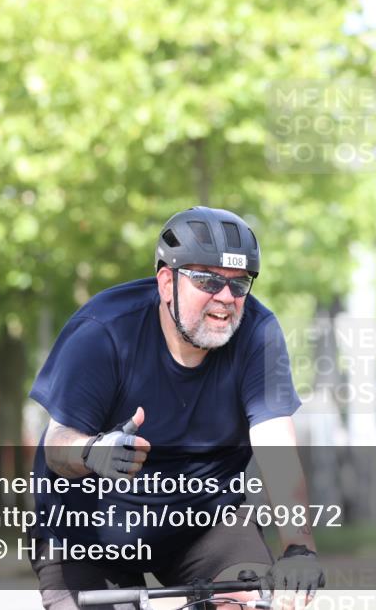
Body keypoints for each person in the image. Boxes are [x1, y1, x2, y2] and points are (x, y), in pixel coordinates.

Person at [28, 206, 324, 610]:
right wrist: (92, 452)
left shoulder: (258, 334)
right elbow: (57, 444)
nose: (226, 297)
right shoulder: (103, 331)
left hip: (203, 523)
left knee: (245, 603)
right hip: (87, 531)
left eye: (239, 284)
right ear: (167, 282)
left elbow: (277, 447)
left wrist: (298, 548)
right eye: (208, 280)